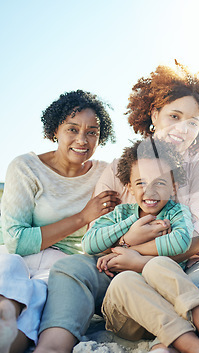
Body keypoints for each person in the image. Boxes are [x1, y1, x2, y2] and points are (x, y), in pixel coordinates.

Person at [34, 63, 199, 353]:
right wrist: (126, 244)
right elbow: (95, 233)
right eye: (174, 116)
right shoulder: (120, 167)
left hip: (182, 269)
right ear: (154, 115)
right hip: (117, 270)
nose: (182, 128)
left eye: (193, 122)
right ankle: (54, 343)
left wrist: (137, 254)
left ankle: (165, 343)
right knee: (70, 267)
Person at [0, 90, 116, 353]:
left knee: (39, 296)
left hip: (64, 264)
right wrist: (82, 217)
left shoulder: (105, 173)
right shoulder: (25, 167)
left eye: (92, 132)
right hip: (17, 256)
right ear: (55, 130)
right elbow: (16, 241)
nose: (82, 140)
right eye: (72, 129)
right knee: (7, 275)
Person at [85, 139, 199, 353]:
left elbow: (179, 242)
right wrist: (132, 226)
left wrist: (131, 253)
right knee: (126, 279)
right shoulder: (121, 214)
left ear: (173, 188)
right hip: (127, 316)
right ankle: (192, 344)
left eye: (160, 182)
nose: (150, 190)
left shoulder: (176, 213)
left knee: (158, 266)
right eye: (140, 183)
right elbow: (90, 243)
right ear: (129, 186)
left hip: (171, 307)